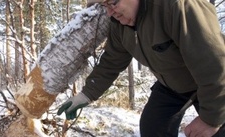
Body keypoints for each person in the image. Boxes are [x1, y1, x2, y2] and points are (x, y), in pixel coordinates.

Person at [56, 0, 225, 136]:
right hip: (172, 85)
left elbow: (216, 66)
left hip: (214, 84)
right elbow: (111, 62)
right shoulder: (120, 24)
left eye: (113, 2)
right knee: (152, 127)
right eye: (105, 5)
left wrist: (211, 120)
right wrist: (86, 94)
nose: (109, 12)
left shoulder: (178, 6)